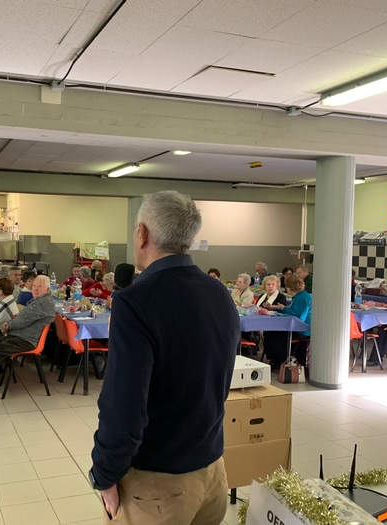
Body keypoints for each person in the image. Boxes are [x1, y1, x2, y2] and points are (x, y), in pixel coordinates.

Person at [91, 190, 238, 525]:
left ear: (142, 233)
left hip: (158, 484)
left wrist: (105, 474)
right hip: (212, 469)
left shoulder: (135, 302)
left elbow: (123, 404)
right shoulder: (218, 292)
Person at [266, 275, 312, 368]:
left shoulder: (301, 298)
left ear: (289, 288)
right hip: (299, 328)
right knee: (269, 333)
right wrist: (279, 308)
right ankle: (276, 361)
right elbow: (292, 311)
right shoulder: (300, 296)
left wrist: (283, 308)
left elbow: (299, 317)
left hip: (303, 330)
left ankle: (288, 361)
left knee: (273, 339)